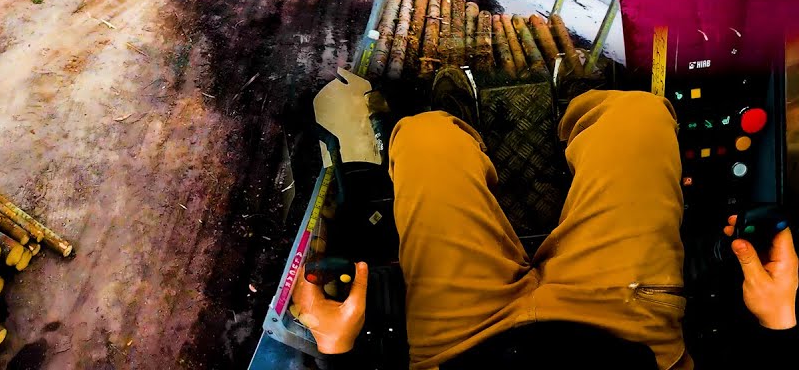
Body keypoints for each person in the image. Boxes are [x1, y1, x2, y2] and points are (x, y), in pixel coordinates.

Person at [293, 69, 798, 369]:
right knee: (637, 121)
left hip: (462, 344)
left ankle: (454, 125)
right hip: (627, 327)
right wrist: (778, 323)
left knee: (426, 142)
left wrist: (337, 351)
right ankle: (580, 106)